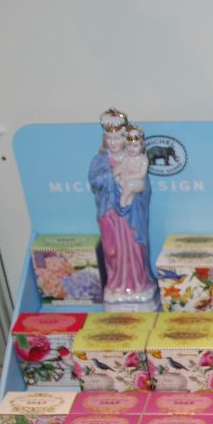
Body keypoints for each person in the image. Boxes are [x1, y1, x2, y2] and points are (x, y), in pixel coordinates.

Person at [88, 110, 158, 309]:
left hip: (132, 215)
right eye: (109, 138)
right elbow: (95, 182)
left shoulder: (135, 157)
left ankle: (138, 283)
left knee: (135, 248)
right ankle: (116, 285)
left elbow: (144, 186)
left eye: (118, 138)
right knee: (112, 250)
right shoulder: (100, 160)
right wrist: (114, 173)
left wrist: (131, 190)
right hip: (109, 212)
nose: (113, 142)